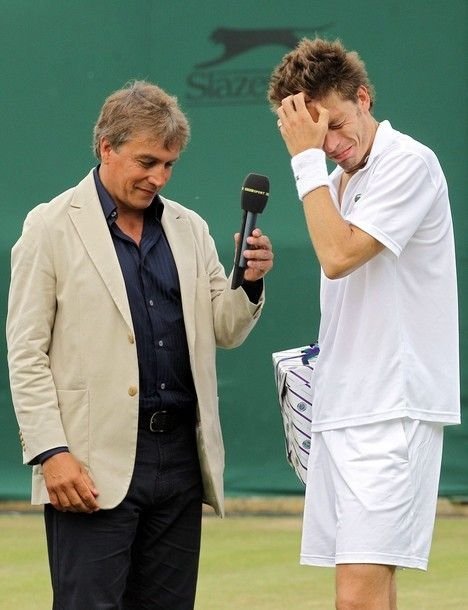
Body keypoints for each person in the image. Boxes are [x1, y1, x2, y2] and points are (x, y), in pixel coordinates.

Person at [6, 80, 273, 610]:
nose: (160, 177)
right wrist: (50, 454)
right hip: (87, 466)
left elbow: (224, 329)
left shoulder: (190, 229)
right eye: (147, 161)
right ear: (107, 147)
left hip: (178, 462)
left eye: (170, 165)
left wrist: (250, 282)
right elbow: (25, 351)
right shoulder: (50, 225)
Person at [268, 38, 459, 610]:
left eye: (337, 125)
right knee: (367, 595)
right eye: (315, 135)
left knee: (357, 597)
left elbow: (338, 255)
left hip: (392, 411)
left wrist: (303, 160)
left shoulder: (410, 162)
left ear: (364, 98)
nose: (330, 144)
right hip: (342, 409)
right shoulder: (334, 184)